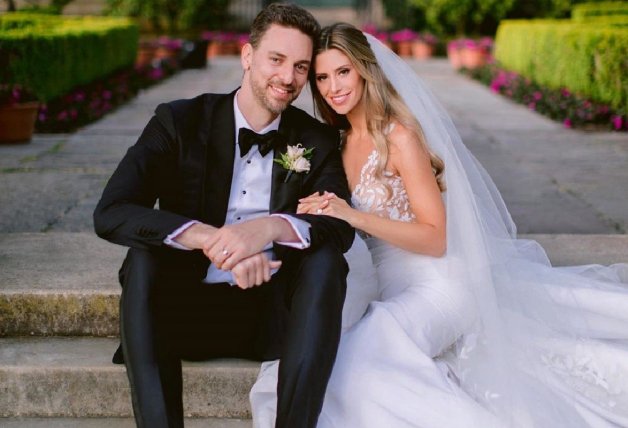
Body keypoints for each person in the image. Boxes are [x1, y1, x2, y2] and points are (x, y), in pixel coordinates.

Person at [250, 23, 628, 427]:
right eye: (322, 77)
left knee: (364, 355)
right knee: (322, 354)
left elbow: (435, 237)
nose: (333, 87)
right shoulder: (335, 144)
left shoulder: (400, 138)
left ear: (364, 70)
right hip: (386, 286)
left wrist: (351, 214)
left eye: (343, 72)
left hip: (439, 284)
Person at [93, 5, 355, 428]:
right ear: (247, 56)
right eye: (277, 59)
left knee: (328, 262)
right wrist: (211, 240)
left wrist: (264, 229)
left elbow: (340, 226)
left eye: (301, 67)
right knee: (142, 259)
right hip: (188, 312)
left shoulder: (315, 139)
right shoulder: (178, 121)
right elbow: (112, 211)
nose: (288, 78)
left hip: (276, 318)